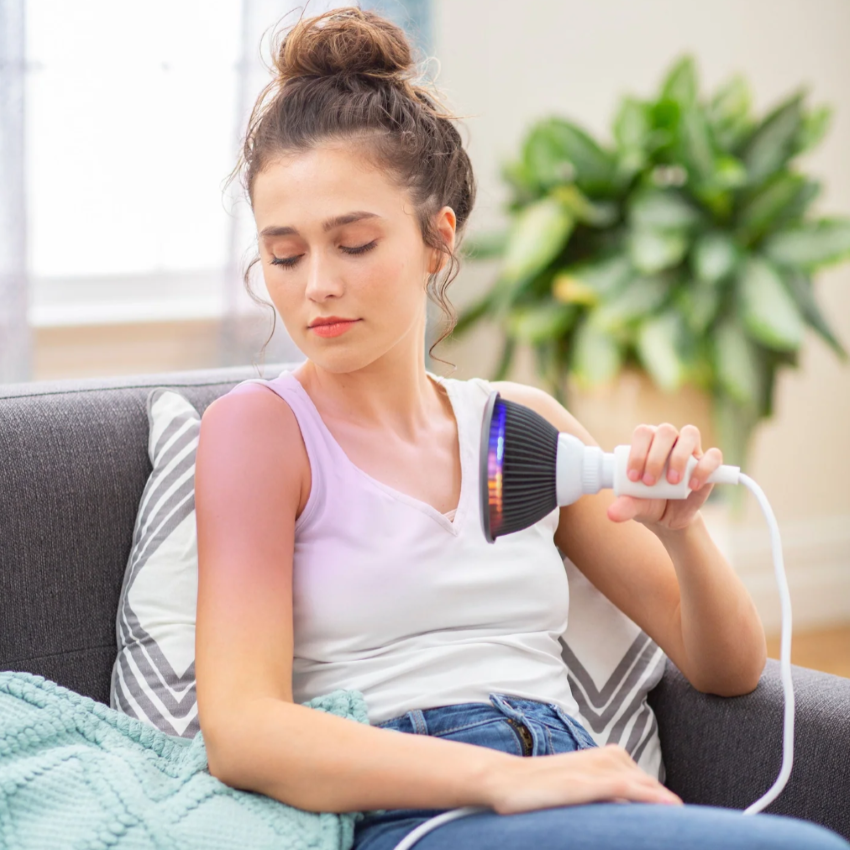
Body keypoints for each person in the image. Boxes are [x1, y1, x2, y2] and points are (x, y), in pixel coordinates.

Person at [192, 6, 850, 849]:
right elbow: (243, 730)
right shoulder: (262, 432)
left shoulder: (519, 431)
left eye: (353, 242)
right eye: (284, 255)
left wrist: (683, 534)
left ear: (439, 241)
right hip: (420, 809)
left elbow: (727, 669)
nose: (315, 284)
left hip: (578, 780)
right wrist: (509, 779)